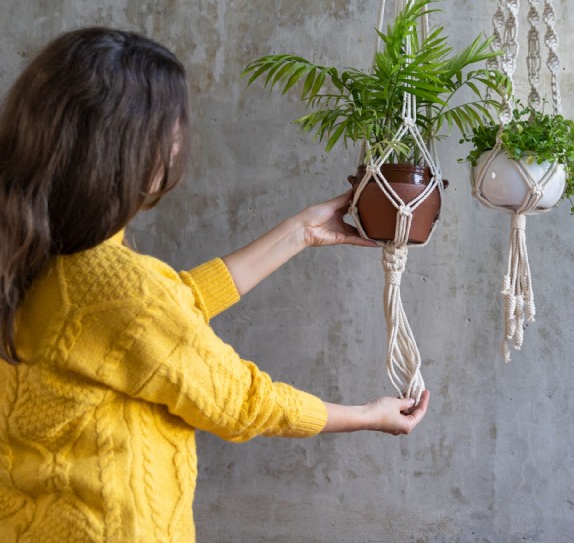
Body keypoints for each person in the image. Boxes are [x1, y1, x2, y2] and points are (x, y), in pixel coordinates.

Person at [0, 27, 430, 543]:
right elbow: (239, 400)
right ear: (127, 145)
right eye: (172, 127)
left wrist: (300, 232)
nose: (180, 141)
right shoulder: (114, 287)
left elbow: (165, 310)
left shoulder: (32, 258)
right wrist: (368, 415)